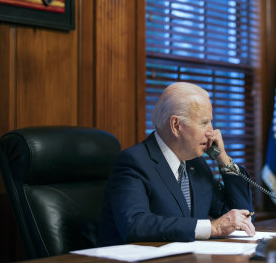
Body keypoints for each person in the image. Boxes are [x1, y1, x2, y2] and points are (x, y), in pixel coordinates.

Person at [98, 82, 255, 245]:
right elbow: (135, 224)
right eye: (204, 123)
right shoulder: (133, 162)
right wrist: (212, 228)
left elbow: (242, 218)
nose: (212, 132)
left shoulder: (197, 164)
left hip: (186, 262)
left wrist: (223, 159)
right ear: (176, 125)